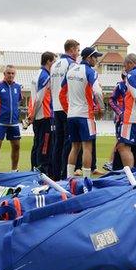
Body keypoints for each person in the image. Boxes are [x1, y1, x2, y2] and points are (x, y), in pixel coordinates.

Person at [59, 47, 104, 179]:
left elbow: (61, 93)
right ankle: (86, 178)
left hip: (71, 115)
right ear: (88, 58)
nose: (97, 60)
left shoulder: (71, 71)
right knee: (87, 148)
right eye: (95, 57)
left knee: (74, 147)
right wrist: (101, 108)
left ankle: (69, 177)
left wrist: (68, 110)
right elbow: (97, 91)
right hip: (85, 115)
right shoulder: (90, 72)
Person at [50, 39, 79, 179]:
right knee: (69, 143)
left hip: (56, 107)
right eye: (77, 50)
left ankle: (55, 174)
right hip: (67, 107)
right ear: (72, 49)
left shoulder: (54, 65)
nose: (78, 54)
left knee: (57, 143)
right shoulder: (72, 64)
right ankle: (64, 175)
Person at [0, 64, 23, 172]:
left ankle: (14, 170)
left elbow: (18, 101)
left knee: (16, 146)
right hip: (0, 122)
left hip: (14, 122)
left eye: (13, 73)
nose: (11, 75)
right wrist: (0, 111)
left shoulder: (18, 87)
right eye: (8, 73)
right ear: (4, 74)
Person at [28, 51, 56, 176]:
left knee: (37, 143)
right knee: (45, 144)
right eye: (54, 61)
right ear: (49, 61)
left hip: (37, 116)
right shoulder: (46, 76)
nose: (54, 64)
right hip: (44, 114)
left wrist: (32, 114)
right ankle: (42, 170)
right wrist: (33, 113)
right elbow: (39, 98)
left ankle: (34, 167)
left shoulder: (37, 75)